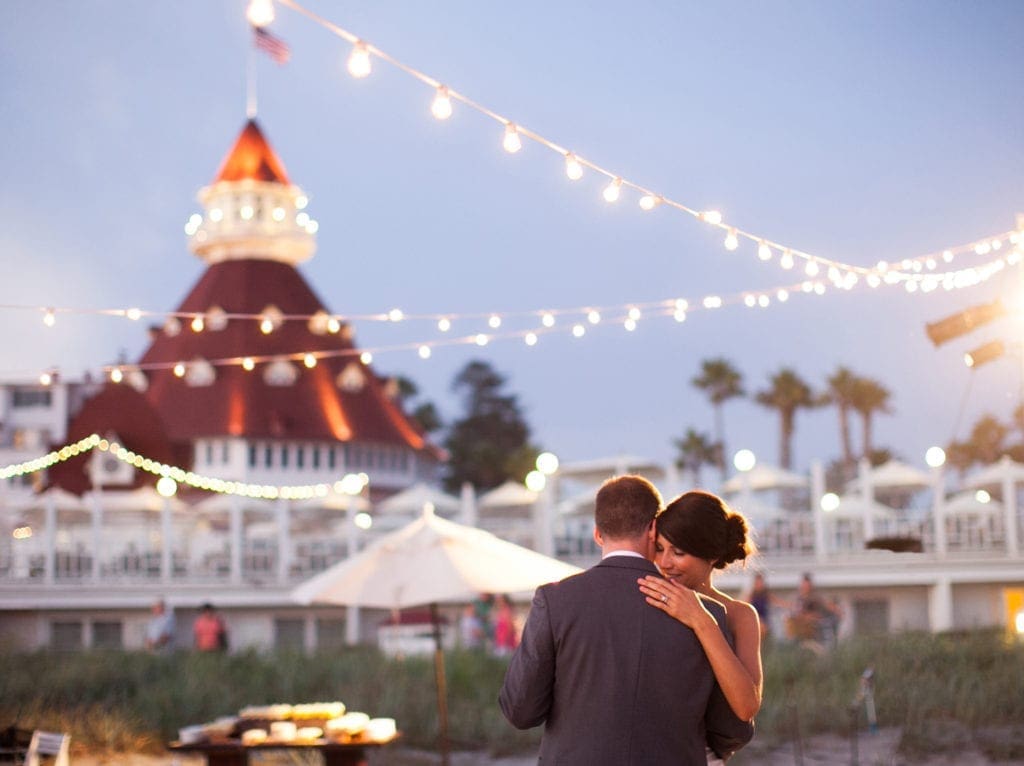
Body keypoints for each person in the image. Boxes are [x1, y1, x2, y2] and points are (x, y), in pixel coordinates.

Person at [499, 475, 753, 766]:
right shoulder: (703, 612)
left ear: (597, 534)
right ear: (653, 528)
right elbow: (734, 727)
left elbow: (520, 711)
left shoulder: (555, 600)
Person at [636, 491, 763, 735]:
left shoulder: (740, 615)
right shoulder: (645, 599)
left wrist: (701, 620)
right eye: (659, 548)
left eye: (678, 552)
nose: (664, 562)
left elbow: (747, 706)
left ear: (712, 555)